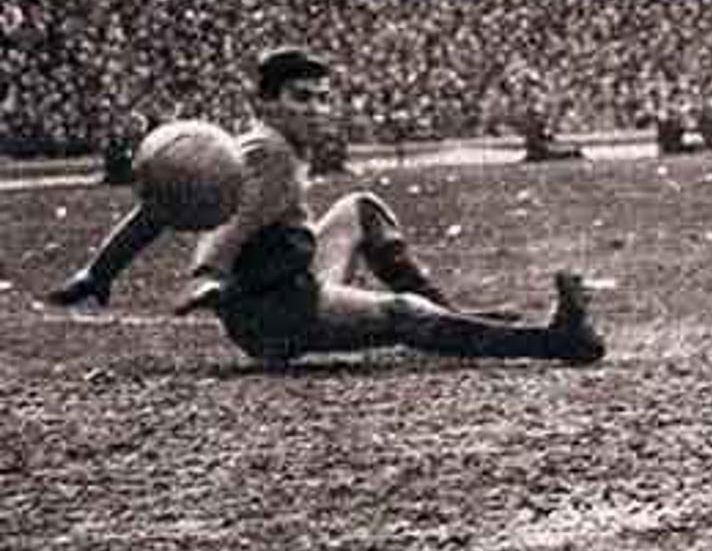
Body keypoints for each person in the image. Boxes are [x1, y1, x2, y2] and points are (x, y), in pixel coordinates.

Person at [47, 47, 605, 367]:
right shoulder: (268, 152)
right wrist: (209, 275)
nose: (315, 109)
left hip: (288, 283)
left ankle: (454, 320)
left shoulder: (261, 147)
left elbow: (162, 206)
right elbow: (229, 226)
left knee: (361, 207)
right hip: (277, 313)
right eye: (300, 98)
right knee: (402, 313)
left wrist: (99, 272)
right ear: (266, 102)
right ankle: (554, 341)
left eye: (321, 97)